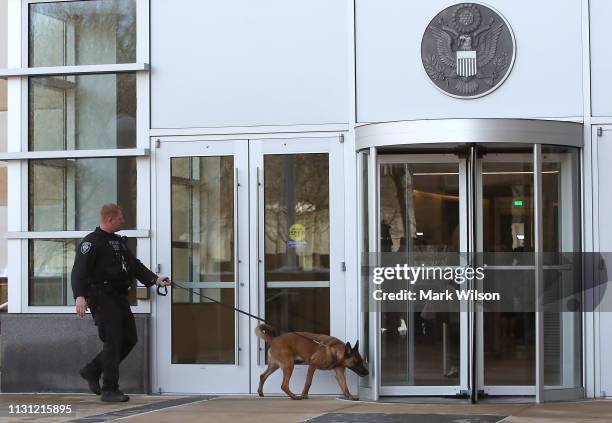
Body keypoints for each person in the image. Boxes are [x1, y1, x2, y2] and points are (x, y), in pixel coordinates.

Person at [72, 204, 172, 402]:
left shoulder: (118, 242)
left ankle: (93, 369)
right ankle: (109, 389)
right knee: (114, 340)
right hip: (101, 296)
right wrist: (80, 296)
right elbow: (79, 271)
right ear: (110, 219)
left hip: (118, 297)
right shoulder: (91, 242)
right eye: (120, 218)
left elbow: (134, 266)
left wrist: (155, 279)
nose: (123, 221)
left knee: (129, 339)